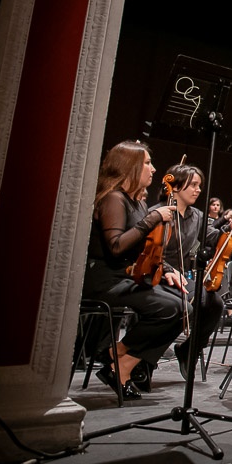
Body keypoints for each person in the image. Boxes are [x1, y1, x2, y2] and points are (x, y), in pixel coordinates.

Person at [81, 140, 186, 401]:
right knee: (168, 308)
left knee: (185, 307)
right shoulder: (113, 199)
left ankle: (119, 362)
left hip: (127, 275)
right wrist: (153, 218)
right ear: (130, 167)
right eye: (147, 163)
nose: (153, 169)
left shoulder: (137, 202)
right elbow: (116, 247)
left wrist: (165, 268)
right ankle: (117, 359)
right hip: (105, 279)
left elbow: (143, 248)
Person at [148, 163, 226, 383]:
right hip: (156, 274)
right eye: (192, 185)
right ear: (175, 187)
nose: (198, 190)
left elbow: (213, 237)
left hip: (180, 279)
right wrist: (167, 269)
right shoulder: (158, 212)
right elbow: (151, 252)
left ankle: (189, 350)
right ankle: (146, 360)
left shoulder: (197, 216)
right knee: (189, 304)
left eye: (199, 185)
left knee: (214, 302)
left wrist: (230, 231)